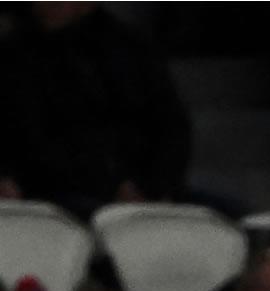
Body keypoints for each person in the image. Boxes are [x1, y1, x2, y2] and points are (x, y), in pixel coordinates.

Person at [2, 1, 189, 216]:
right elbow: (30, 141)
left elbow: (171, 127)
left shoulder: (130, 48)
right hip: (55, 194)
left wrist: (152, 185)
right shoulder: (15, 57)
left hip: (141, 188)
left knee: (222, 216)